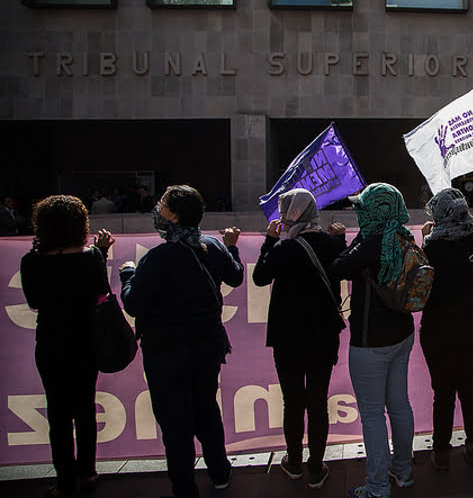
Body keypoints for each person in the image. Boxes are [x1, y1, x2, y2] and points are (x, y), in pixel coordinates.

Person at [119, 185, 243, 498]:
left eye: (162, 204)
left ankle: (185, 486)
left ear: (173, 216)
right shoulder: (212, 246)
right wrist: (232, 247)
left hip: (166, 353)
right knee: (206, 410)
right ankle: (219, 472)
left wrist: (127, 276)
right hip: (207, 346)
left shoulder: (158, 258)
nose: (157, 208)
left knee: (175, 423)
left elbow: (133, 304)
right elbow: (236, 275)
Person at [20, 196, 115, 497]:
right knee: (85, 408)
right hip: (86, 339)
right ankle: (87, 472)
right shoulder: (90, 258)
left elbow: (34, 302)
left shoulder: (31, 261)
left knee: (58, 414)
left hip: (50, 340)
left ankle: (65, 482)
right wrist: (101, 252)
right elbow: (101, 293)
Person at [252, 188, 347, 489]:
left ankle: (293, 463)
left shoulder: (283, 248)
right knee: (318, 401)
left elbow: (259, 278)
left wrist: (269, 240)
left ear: (290, 213)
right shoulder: (331, 243)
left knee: (292, 401)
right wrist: (340, 239)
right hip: (323, 335)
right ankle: (316, 467)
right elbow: (342, 267)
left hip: (287, 338)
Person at [331, 183, 416, 498]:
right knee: (399, 404)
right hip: (402, 334)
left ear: (374, 210)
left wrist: (345, 239)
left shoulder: (370, 244)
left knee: (371, 414)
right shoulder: (404, 238)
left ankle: (378, 486)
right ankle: (403, 471)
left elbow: (338, 266)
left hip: (371, 341)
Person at [419, 188, 473, 472]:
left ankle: (442, 453)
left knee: (443, 392)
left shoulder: (430, 248)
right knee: (470, 389)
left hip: (438, 329)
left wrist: (425, 239)